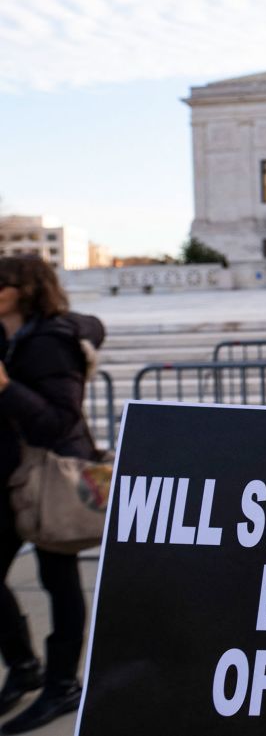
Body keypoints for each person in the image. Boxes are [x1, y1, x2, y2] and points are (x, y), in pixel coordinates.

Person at [0, 257, 104, 733]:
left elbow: (57, 421)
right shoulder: (13, 334)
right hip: (14, 474)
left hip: (49, 475)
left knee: (58, 579)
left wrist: (4, 387)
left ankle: (61, 684)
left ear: (24, 290)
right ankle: (26, 667)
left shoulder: (47, 343)